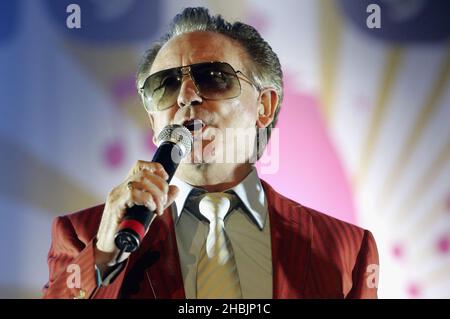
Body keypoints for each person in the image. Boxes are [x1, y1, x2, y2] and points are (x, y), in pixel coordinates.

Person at [42, 7, 379, 299]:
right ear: (153, 118)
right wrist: (103, 256)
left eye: (214, 78)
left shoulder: (346, 248)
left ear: (264, 105)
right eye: (167, 85)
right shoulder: (83, 235)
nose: (187, 96)